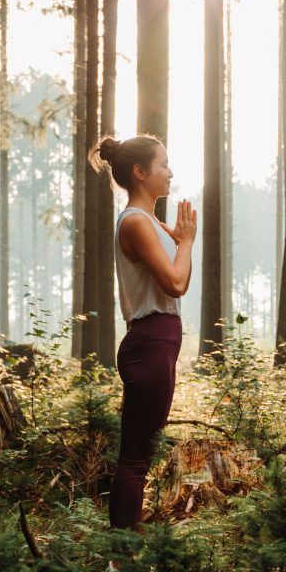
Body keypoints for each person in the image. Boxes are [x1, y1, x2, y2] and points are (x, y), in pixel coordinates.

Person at [88, 134, 197, 531]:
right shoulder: (136, 222)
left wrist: (180, 241)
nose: (170, 171)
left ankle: (126, 546)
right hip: (150, 342)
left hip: (158, 343)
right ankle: (121, 558)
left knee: (140, 454)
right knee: (135, 459)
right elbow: (176, 284)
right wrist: (185, 243)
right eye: (163, 164)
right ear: (139, 172)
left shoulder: (149, 222)